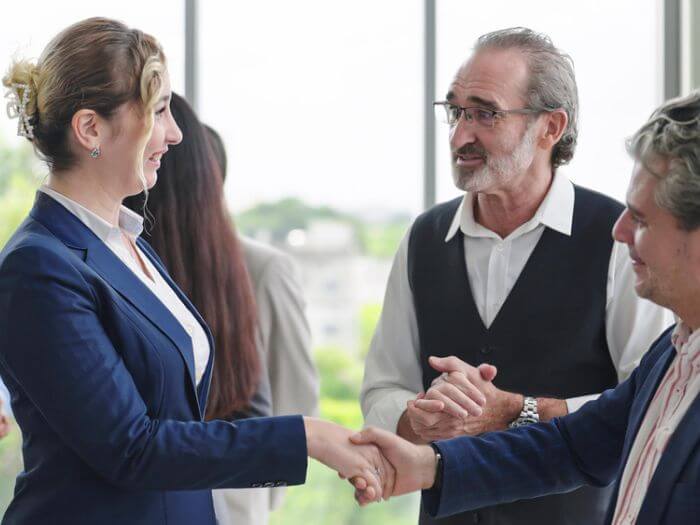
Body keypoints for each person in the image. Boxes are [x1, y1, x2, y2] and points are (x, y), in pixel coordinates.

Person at [0, 18, 390, 525]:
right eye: (158, 111)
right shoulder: (39, 266)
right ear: (91, 129)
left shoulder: (127, 243)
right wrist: (308, 436)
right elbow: (132, 448)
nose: (176, 133)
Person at [360, 27, 673, 525]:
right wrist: (414, 416)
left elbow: (649, 399)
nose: (461, 135)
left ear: (550, 127)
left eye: (485, 113)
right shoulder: (423, 237)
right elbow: (381, 388)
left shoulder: (618, 239)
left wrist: (518, 409)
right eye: (456, 111)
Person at [125, 94, 319, 525]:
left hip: (229, 495)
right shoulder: (116, 263)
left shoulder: (262, 268)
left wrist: (258, 494)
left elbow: (296, 403)